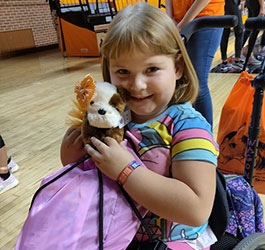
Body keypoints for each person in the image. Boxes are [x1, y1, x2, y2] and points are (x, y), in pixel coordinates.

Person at [61, 3, 218, 249]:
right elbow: (86, 178)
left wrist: (126, 169)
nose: (137, 85)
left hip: (174, 240)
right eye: (123, 71)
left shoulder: (188, 125)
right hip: (116, 232)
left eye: (152, 69)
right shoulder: (113, 119)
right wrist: (73, 155)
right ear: (109, 72)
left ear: (177, 68)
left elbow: (196, 209)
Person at [165, 0, 225, 127]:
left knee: (197, 83)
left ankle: (206, 138)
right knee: (177, 81)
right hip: (178, 21)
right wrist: (170, 18)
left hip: (205, 18)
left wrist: (184, 23)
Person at [220, 0, 245, 72]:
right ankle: (236, 60)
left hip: (227, 4)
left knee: (225, 31)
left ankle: (224, 61)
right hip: (232, 3)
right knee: (239, 31)